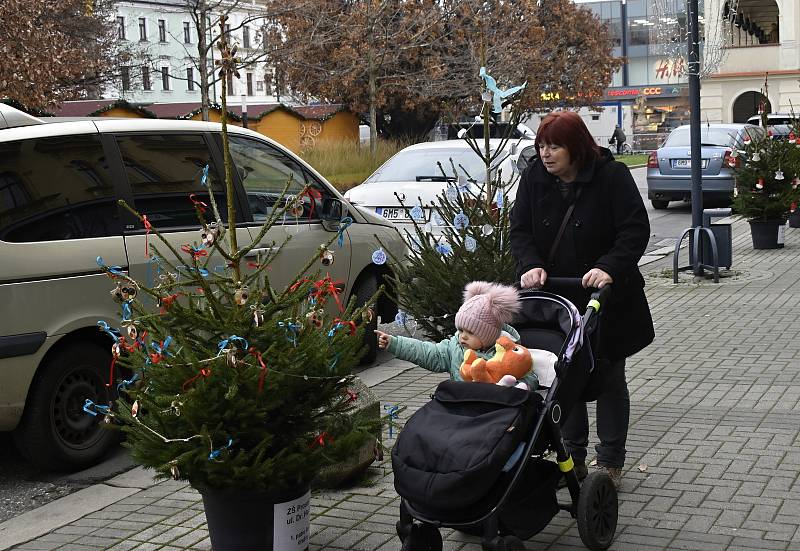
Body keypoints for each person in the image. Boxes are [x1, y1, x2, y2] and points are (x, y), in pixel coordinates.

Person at [509, 111, 654, 490]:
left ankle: (609, 460)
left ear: (576, 148)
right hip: (557, 299)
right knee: (563, 377)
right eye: (541, 145)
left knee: (608, 377)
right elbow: (520, 230)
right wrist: (530, 264)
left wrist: (609, 267)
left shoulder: (612, 177)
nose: (545, 153)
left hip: (607, 299)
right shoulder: (535, 179)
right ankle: (571, 455)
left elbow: (634, 229)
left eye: (555, 146)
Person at [375, 281, 538, 389]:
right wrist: (395, 343)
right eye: (460, 330)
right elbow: (427, 353)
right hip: (462, 404)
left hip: (497, 409)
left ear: (488, 335)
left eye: (470, 332)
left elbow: (529, 374)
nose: (463, 336)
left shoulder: (509, 352)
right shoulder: (454, 347)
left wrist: (521, 386)